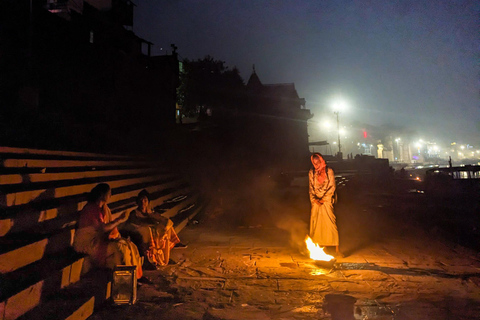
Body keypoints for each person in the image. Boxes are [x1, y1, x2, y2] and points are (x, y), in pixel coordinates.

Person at [73, 183, 143, 279]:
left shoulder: (105, 209)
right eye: (109, 193)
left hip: (100, 239)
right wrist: (119, 220)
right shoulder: (91, 208)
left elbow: (111, 228)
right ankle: (123, 279)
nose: (110, 196)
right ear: (102, 194)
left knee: (129, 246)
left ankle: (133, 278)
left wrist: (118, 236)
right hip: (89, 242)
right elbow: (102, 228)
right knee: (119, 249)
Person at [126, 190, 182, 267]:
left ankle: (165, 256)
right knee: (149, 231)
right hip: (142, 232)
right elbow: (135, 224)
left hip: (152, 231)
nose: (143, 202)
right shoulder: (134, 213)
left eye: (145, 200)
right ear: (137, 202)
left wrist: (151, 214)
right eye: (141, 200)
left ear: (148, 202)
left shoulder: (150, 212)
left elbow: (163, 220)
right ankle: (149, 259)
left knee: (167, 227)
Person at [308, 153, 343, 257]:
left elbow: (332, 186)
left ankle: (336, 249)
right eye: (314, 163)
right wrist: (314, 199)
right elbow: (310, 187)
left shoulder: (329, 171)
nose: (316, 165)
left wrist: (324, 199)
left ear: (321, 160)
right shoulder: (311, 172)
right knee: (316, 224)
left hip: (327, 200)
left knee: (330, 223)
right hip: (316, 201)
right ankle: (319, 248)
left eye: (317, 162)